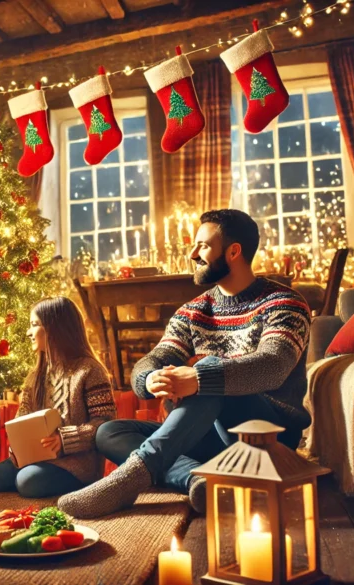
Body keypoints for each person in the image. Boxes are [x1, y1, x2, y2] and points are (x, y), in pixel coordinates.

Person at [58, 209, 312, 518]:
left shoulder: (285, 303)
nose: (192, 253)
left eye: (203, 246)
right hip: (207, 436)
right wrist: (150, 379)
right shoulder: (193, 310)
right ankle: (200, 479)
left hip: (269, 436)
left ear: (233, 252)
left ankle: (134, 476)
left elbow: (274, 365)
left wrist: (199, 378)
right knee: (108, 432)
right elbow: (154, 359)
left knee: (210, 375)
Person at [0, 297, 117, 498]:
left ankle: (78, 486)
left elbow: (105, 424)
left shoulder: (90, 370)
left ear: (56, 329)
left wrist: (65, 439)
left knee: (26, 482)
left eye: (35, 325)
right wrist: (18, 446)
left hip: (77, 465)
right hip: (38, 459)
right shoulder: (35, 376)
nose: (29, 332)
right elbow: (23, 416)